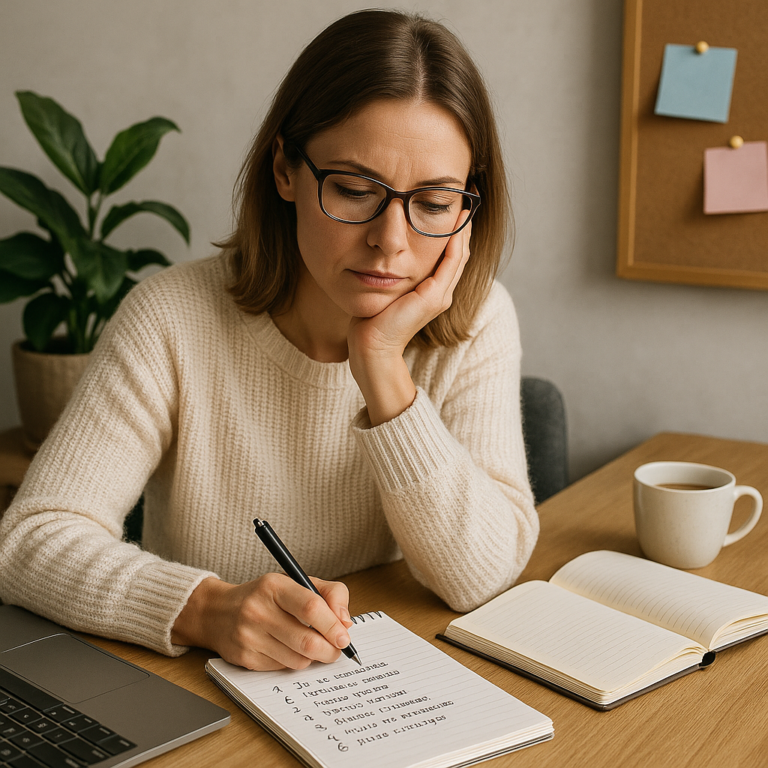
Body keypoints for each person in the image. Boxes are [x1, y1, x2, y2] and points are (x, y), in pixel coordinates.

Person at [0, 9, 538, 672]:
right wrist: (206, 609)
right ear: (285, 168)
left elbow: (480, 577)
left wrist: (380, 368)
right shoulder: (170, 318)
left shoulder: (477, 320)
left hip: (379, 692)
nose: (391, 242)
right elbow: (29, 542)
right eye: (352, 188)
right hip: (205, 693)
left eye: (432, 203)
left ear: (467, 205)